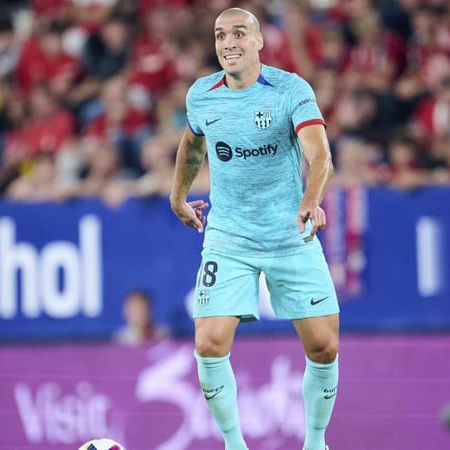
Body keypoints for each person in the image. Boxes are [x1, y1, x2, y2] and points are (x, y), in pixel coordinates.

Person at [168, 8, 339, 450]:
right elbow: (192, 145)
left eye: (239, 33)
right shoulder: (201, 95)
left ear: (259, 41)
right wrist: (178, 195)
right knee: (209, 343)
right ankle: (234, 444)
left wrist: (310, 200)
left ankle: (315, 443)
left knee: (324, 346)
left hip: (290, 235)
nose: (228, 43)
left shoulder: (290, 90)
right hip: (229, 239)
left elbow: (320, 155)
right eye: (220, 35)